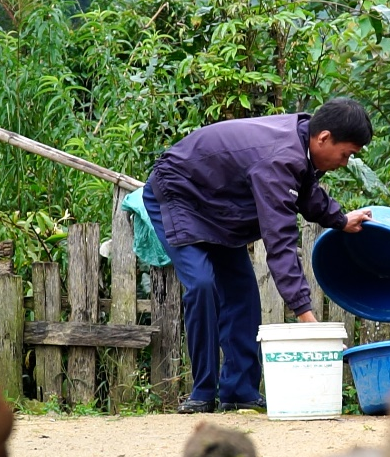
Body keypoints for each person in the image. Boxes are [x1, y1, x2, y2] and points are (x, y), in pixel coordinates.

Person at [142, 97, 374, 414]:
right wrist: (306, 316)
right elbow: (279, 241)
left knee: (242, 293)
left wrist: (340, 219)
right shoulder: (279, 159)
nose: (345, 162)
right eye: (346, 154)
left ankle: (239, 392)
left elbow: (304, 191)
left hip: (218, 205)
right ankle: (203, 392)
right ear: (323, 138)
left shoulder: (301, 141)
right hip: (179, 192)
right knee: (201, 284)